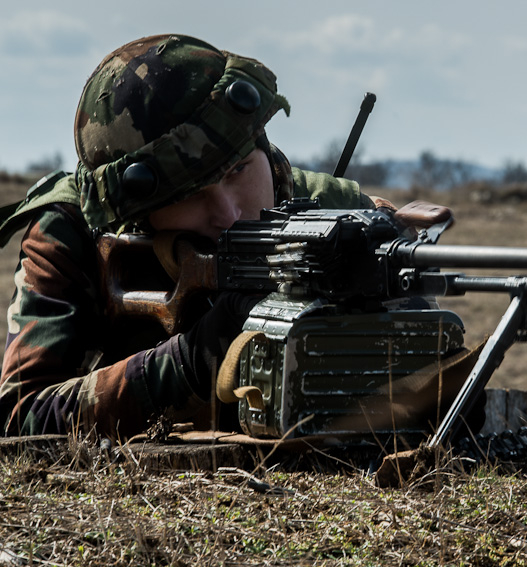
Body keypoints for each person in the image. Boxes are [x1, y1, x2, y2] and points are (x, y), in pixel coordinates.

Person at [0, 34, 393, 439]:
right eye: (190, 195)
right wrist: (190, 360)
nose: (229, 213)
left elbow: (411, 392)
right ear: (139, 213)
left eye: (238, 170)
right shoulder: (73, 231)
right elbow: (22, 417)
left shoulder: (335, 211)